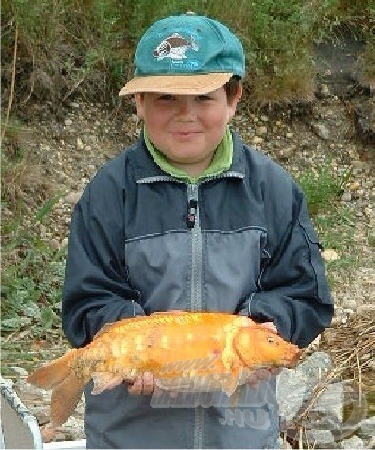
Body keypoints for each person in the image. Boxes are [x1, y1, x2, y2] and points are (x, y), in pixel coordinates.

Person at [62, 12, 334, 449]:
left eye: (204, 98)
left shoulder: (275, 191)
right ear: (139, 103)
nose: (185, 116)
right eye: (166, 98)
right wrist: (136, 345)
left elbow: (306, 296)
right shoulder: (109, 194)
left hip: (241, 434)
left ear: (234, 99)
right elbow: (85, 303)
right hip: (129, 437)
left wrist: (269, 328)